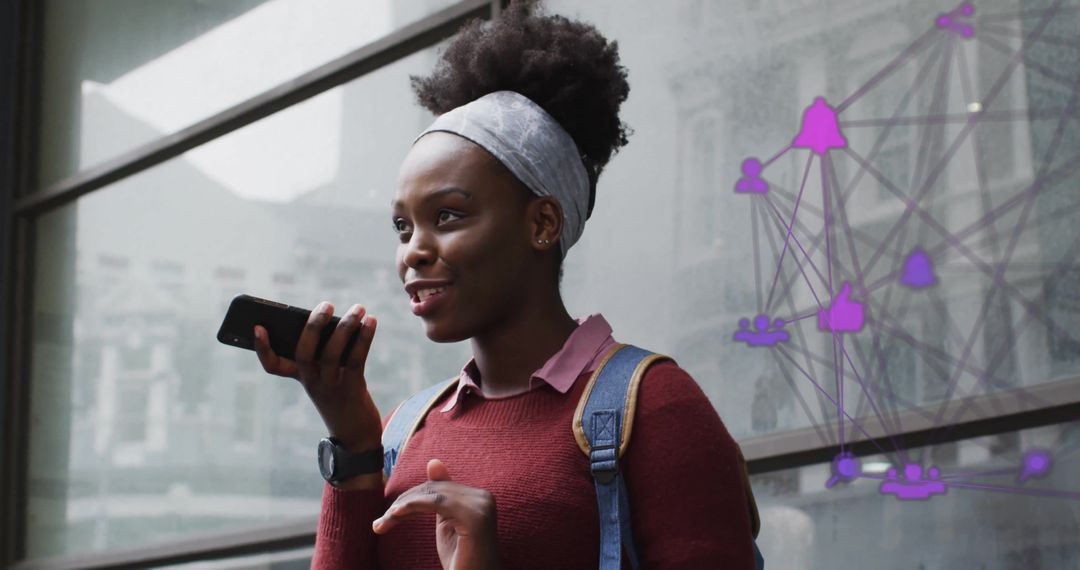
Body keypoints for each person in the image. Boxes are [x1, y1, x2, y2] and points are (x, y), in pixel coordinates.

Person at [252, 1, 757, 568]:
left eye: (447, 216)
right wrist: (353, 442)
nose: (412, 251)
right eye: (403, 226)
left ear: (541, 224)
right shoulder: (401, 431)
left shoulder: (658, 409)